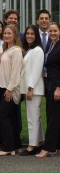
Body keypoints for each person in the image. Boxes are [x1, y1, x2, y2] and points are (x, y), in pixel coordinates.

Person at [0, 25, 24, 156]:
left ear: (15, 35)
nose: (6, 35)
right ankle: (16, 145)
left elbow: (16, 72)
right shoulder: (6, 49)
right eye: (5, 33)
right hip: (4, 87)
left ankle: (8, 148)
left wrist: (10, 89)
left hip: (11, 88)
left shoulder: (17, 51)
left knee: (3, 116)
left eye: (9, 33)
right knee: (11, 117)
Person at [36, 23, 60, 158]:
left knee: (53, 118)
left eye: (55, 31)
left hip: (57, 86)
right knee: (53, 115)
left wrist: (58, 88)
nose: (52, 33)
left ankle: (48, 148)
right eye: (51, 31)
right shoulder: (52, 45)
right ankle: (56, 146)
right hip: (50, 84)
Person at [20, 25, 44, 156]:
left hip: (34, 89)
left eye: (32, 34)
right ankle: (39, 142)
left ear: (36, 36)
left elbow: (36, 71)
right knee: (36, 117)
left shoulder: (38, 51)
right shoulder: (30, 50)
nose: (29, 36)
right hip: (32, 89)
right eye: (27, 33)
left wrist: (30, 88)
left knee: (32, 117)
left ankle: (32, 145)